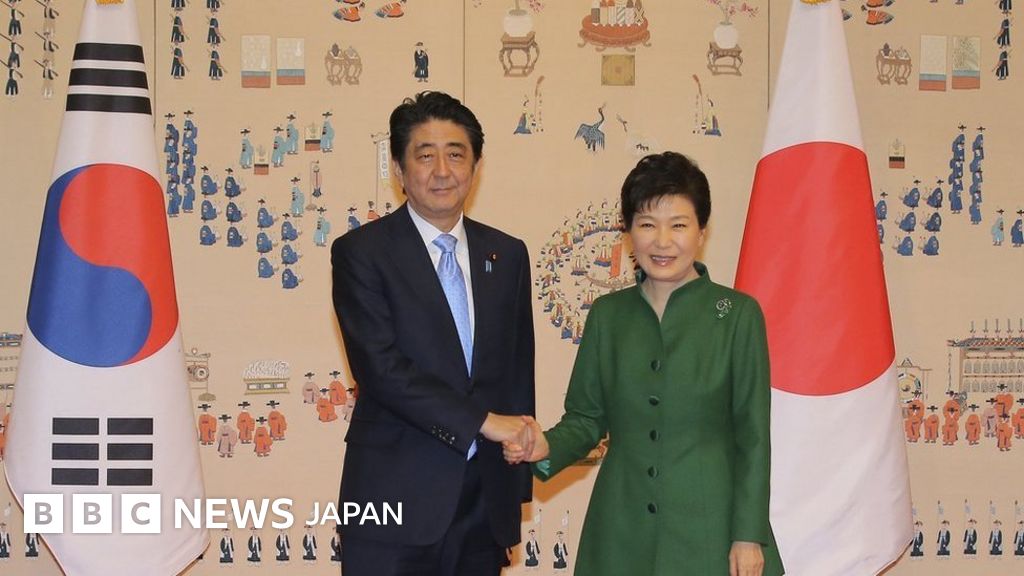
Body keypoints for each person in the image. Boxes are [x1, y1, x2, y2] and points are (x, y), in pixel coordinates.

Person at [505, 152, 783, 576]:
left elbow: (753, 436)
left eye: (679, 225)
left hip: (711, 530)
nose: (662, 241)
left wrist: (748, 535)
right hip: (621, 529)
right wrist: (545, 448)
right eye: (647, 224)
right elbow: (586, 418)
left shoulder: (737, 315)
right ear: (629, 231)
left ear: (702, 231)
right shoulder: (608, 315)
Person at [331, 90, 536, 576]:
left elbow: (516, 372)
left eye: (456, 154)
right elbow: (381, 370)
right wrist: (483, 421)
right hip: (391, 501)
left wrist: (511, 494)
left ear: (476, 165)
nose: (442, 171)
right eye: (425, 156)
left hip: (483, 504)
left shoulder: (507, 254)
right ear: (399, 171)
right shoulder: (361, 252)